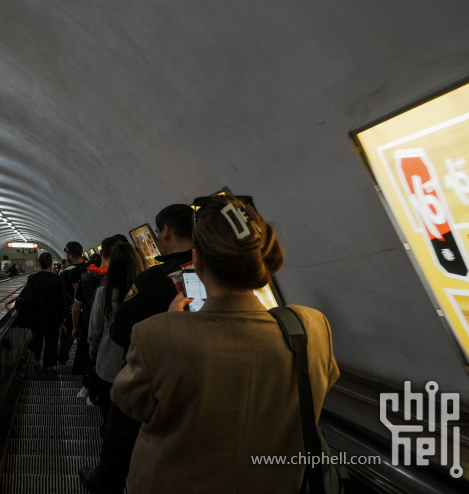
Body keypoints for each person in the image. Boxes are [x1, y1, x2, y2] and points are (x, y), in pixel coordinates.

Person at [111, 194, 339, 492]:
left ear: (198, 260)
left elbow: (130, 403)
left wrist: (172, 324)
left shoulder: (158, 335)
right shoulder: (311, 328)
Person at [80, 204, 194, 494]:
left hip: (153, 375)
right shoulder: (208, 272)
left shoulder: (156, 278)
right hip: (198, 382)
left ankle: (107, 481)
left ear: (165, 231)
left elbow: (120, 329)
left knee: (121, 426)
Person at [87, 242, 142, 419]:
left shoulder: (104, 292)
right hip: (137, 360)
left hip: (108, 359)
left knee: (108, 407)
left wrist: (93, 344)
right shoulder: (143, 290)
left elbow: (95, 325)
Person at [71, 235, 128, 377]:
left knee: (89, 361)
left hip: (89, 326)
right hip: (117, 333)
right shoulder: (127, 279)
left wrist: (75, 327)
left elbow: (76, 308)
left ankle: (88, 385)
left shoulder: (86, 277)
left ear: (102, 253)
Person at [13, 252, 65, 369]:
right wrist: (63, 316)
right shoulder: (58, 279)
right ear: (51, 264)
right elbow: (62, 300)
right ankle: (49, 365)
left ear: (39, 264)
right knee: (52, 342)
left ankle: (36, 359)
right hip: (53, 317)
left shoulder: (33, 279)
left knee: (37, 339)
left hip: (37, 317)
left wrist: (18, 300)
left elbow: (29, 299)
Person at [56, 241, 86, 365]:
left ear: (70, 256)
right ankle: (81, 364)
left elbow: (61, 297)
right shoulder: (89, 269)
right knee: (84, 340)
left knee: (65, 338)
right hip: (87, 312)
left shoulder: (66, 273)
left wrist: (61, 315)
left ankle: (63, 361)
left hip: (69, 312)